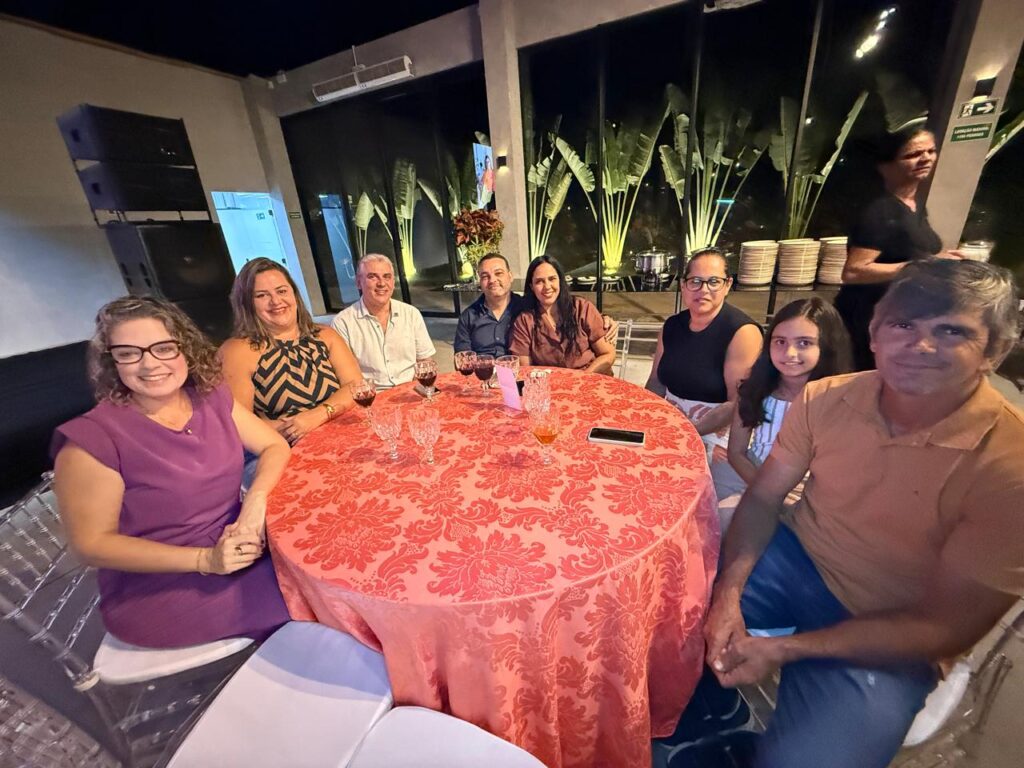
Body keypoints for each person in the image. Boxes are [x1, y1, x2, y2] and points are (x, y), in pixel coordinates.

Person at [698, 259, 1024, 768]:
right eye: (903, 324)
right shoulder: (827, 397)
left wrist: (786, 650)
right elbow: (763, 497)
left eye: (951, 331)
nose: (920, 345)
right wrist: (727, 596)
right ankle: (710, 715)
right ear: (874, 334)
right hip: (796, 558)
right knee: (668, 606)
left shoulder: (1010, 464)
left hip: (893, 626)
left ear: (995, 350)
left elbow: (945, 628)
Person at [51, 297, 292, 649]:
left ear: (186, 350)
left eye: (164, 348)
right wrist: (206, 560)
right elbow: (91, 545)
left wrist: (255, 503)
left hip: (243, 544)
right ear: (111, 362)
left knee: (328, 565)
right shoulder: (92, 440)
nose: (150, 364)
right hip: (165, 587)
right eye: (129, 353)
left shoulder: (211, 397)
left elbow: (274, 445)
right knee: (314, 598)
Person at [835, 123, 963, 370]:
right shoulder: (881, 210)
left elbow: (910, 252)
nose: (925, 158)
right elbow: (853, 271)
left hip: (899, 312)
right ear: (887, 166)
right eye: (913, 154)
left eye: (930, 151)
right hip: (868, 316)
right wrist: (925, 265)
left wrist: (941, 260)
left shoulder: (914, 204)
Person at [720, 298, 852, 530]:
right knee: (712, 517)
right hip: (752, 471)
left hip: (807, 487)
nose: (789, 353)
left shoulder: (838, 400)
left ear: (827, 346)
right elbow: (736, 452)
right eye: (780, 341)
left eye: (804, 343)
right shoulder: (754, 388)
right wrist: (767, 491)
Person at [646, 248, 763, 495]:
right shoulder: (672, 326)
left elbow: (738, 403)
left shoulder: (742, 332)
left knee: (688, 492)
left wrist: (691, 431)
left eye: (713, 281)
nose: (703, 290)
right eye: (695, 281)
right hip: (673, 424)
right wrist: (649, 419)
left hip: (719, 432)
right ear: (683, 285)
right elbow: (656, 381)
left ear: (727, 285)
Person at [221, 258, 361, 445]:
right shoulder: (236, 351)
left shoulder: (326, 335)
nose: (276, 301)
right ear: (247, 304)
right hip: (284, 445)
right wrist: (294, 428)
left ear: (294, 294)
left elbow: (355, 386)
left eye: (281, 291)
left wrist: (318, 416)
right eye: (262, 295)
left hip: (343, 433)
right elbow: (238, 423)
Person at [454, 253, 618, 358]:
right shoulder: (468, 316)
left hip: (517, 381)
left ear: (510, 276)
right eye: (485, 276)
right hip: (483, 381)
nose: (492, 280)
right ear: (480, 282)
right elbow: (461, 359)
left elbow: (577, 313)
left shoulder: (526, 307)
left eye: (498, 273)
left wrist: (604, 319)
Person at [331, 253, 436, 388]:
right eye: (372, 277)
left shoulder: (411, 314)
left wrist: (414, 391)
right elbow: (347, 376)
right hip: (373, 394)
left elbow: (425, 361)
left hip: (412, 388)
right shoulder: (342, 323)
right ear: (358, 282)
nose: (381, 283)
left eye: (387, 277)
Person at [509, 255, 616, 373]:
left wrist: (583, 378)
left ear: (560, 280)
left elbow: (608, 354)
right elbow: (526, 369)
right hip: (550, 381)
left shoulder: (582, 308)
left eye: (552, 279)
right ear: (532, 287)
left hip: (591, 377)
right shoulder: (525, 321)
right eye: (539, 281)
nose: (547, 286)